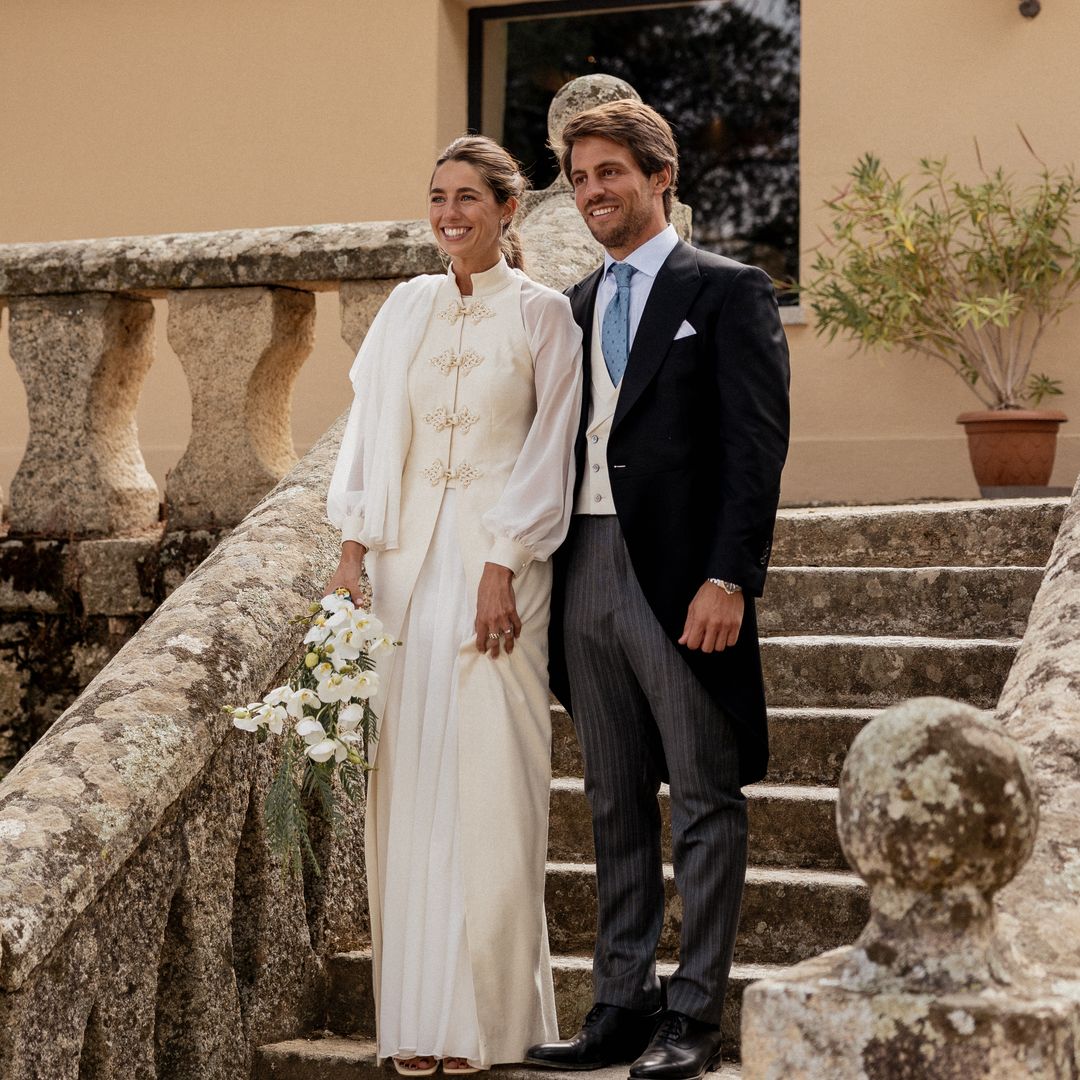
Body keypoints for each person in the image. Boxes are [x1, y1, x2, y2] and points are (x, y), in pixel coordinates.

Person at [526, 100, 790, 1080]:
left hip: (681, 582)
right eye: (579, 177)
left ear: (658, 175)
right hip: (582, 570)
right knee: (611, 798)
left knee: (705, 800)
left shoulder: (727, 291)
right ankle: (620, 1004)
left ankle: (693, 1015)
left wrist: (730, 576)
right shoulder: (575, 304)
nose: (593, 191)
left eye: (608, 173)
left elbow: (755, 447)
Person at [325, 135, 583, 1075]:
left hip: (500, 575)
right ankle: (416, 1024)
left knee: (490, 783)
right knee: (412, 780)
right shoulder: (407, 307)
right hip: (403, 570)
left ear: (508, 210)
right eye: (438, 196)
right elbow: (368, 434)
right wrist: (351, 556)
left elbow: (553, 447)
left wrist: (502, 562)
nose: (449, 213)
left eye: (469, 197)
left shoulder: (547, 316)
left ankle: (487, 1022)